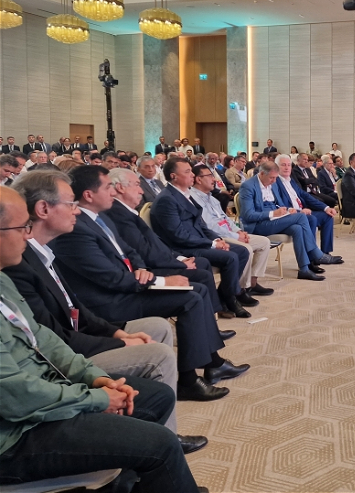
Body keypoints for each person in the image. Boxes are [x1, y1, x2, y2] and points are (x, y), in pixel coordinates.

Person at [0, 189, 207, 491]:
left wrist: (95, 378)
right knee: (159, 444)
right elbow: (15, 395)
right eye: (22, 227)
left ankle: (134, 481)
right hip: (14, 435)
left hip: (41, 396)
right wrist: (95, 399)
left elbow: (43, 339)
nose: (28, 235)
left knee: (158, 397)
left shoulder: (3, 278)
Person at [49, 166, 247, 400]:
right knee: (191, 298)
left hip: (129, 284)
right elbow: (110, 278)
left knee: (197, 290)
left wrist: (142, 269)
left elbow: (128, 250)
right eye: (108, 187)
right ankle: (189, 380)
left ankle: (212, 363)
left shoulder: (98, 218)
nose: (113, 192)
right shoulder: (77, 230)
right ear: (89, 195)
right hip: (109, 302)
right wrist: (160, 280)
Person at [105, 168, 241, 321]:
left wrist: (181, 258)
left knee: (213, 260)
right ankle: (212, 315)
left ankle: (219, 308)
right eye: (137, 185)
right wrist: (180, 262)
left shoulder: (127, 211)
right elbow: (146, 250)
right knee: (207, 272)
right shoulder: (124, 212)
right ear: (120, 188)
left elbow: (157, 242)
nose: (141, 191)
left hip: (175, 250)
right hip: (161, 259)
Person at [150, 158, 259, 315]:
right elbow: (178, 235)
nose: (192, 175)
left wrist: (217, 239)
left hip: (197, 241)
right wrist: (212, 244)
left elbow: (201, 225)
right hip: (183, 247)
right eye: (187, 172)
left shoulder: (185, 194)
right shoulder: (166, 199)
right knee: (230, 257)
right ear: (174, 176)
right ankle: (230, 298)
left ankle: (224, 294)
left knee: (241, 251)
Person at [238, 162, 341, 280]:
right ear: (261, 174)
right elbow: (248, 215)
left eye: (275, 178)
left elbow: (278, 204)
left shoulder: (272, 183)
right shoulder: (248, 186)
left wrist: (288, 210)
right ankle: (316, 254)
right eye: (271, 178)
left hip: (274, 219)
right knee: (301, 217)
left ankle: (304, 269)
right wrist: (273, 213)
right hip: (257, 225)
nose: (274, 181)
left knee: (297, 228)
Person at [190, 164, 276, 297]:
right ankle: (241, 288)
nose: (214, 179)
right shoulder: (193, 199)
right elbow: (210, 227)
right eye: (210, 176)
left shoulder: (211, 198)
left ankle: (252, 283)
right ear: (198, 179)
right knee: (246, 248)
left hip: (229, 232)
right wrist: (235, 236)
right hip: (217, 237)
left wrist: (238, 231)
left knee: (264, 242)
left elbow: (226, 218)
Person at [274, 155, 340, 257]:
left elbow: (304, 195)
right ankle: (312, 256)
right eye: (283, 165)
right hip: (291, 215)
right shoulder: (275, 182)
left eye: (289, 165)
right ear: (276, 167)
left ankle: (325, 253)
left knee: (327, 216)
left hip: (302, 211)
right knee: (311, 219)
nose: (287, 168)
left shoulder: (290, 180)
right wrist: (298, 211)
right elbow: (278, 205)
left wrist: (326, 208)